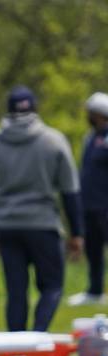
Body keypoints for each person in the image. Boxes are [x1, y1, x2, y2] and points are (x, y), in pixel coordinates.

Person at [0, 86, 83, 332]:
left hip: (6, 226)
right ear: (35, 108)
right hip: (43, 224)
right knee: (52, 286)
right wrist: (77, 233)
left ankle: (17, 346)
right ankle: (38, 335)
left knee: (16, 292)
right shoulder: (54, 141)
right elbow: (70, 192)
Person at [68, 92, 108, 306]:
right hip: (90, 205)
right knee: (93, 250)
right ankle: (95, 291)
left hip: (106, 205)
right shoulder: (90, 138)